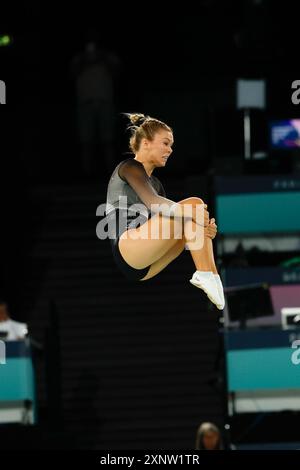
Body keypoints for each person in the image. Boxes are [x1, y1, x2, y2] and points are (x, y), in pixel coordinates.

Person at [104, 113, 225, 309]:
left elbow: (172, 230)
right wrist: (194, 215)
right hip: (126, 247)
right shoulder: (129, 167)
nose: (170, 150)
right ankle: (206, 274)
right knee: (193, 205)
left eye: (171, 145)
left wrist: (202, 231)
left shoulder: (156, 185)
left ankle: (212, 274)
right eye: (166, 143)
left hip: (145, 267)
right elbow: (152, 203)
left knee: (191, 214)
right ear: (146, 143)